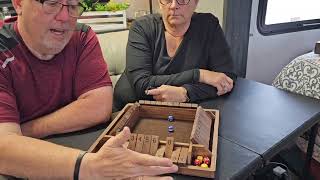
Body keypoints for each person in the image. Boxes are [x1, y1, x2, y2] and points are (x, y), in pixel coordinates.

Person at [0, 0, 177, 179]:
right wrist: (92, 167)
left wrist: (25, 131)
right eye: (51, 3)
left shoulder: (81, 36)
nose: (64, 17)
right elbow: (4, 149)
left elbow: (99, 105)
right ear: (18, 4)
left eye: (72, 6)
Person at [114, 0, 237, 111]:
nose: (173, 6)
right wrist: (199, 75)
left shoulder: (209, 26)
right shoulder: (141, 27)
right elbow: (142, 85)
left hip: (182, 111)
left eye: (182, 0)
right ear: (159, 3)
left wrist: (186, 93)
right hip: (132, 109)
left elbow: (226, 79)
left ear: (195, 3)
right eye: (167, 0)